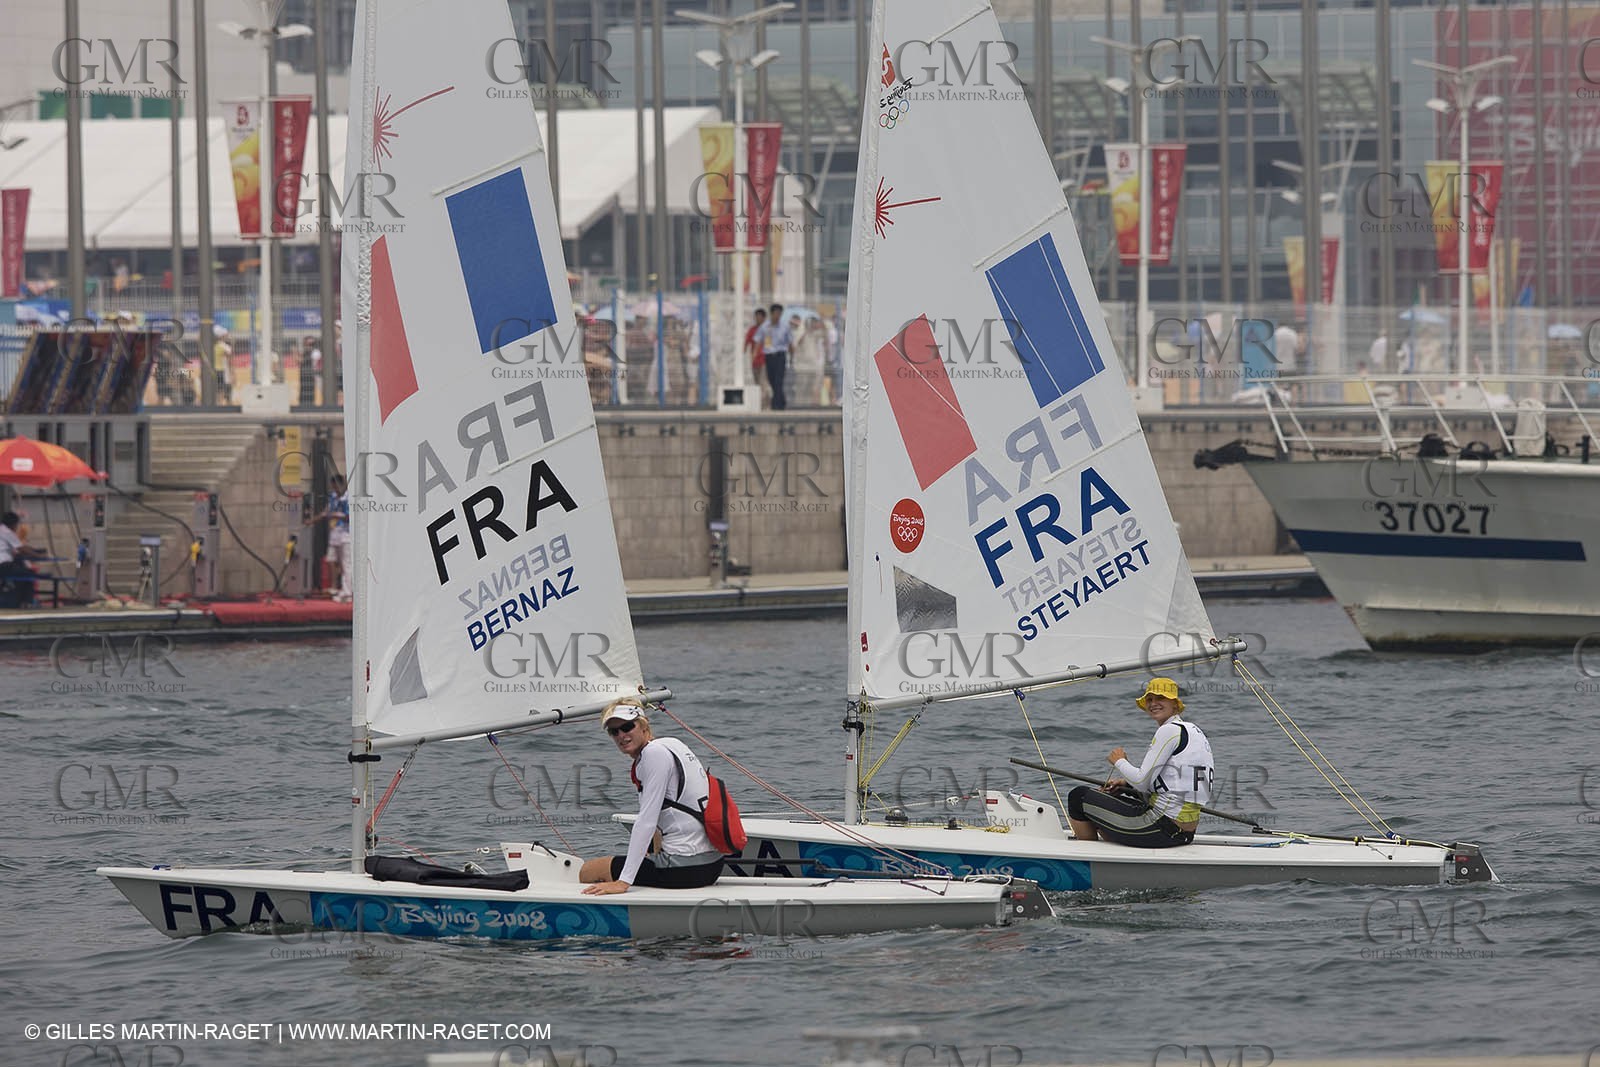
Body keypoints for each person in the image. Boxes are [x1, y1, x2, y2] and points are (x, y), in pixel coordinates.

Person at [580, 699, 725, 894]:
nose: (621, 735)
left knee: (588, 871)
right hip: (713, 864)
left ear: (643, 725)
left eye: (627, 727)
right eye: (614, 731)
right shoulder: (671, 744)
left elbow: (646, 821)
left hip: (685, 870)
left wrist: (623, 882)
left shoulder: (652, 755)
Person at [1066, 678, 1214, 848]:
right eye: (1149, 699)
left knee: (1078, 796)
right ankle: (1112, 850)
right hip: (1185, 833)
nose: (1153, 703)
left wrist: (1119, 761)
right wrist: (1126, 784)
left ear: (1175, 704)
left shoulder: (1168, 730)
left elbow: (1142, 782)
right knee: (1108, 799)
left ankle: (1087, 856)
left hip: (1160, 828)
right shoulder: (1194, 732)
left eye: (1161, 698)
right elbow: (1175, 785)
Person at [305, 475, 351, 602]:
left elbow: (349, 517)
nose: (335, 489)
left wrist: (337, 515)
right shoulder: (333, 497)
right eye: (333, 487)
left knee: (346, 565)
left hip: (345, 535)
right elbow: (325, 513)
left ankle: (348, 593)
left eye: (337, 486)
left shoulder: (348, 498)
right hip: (334, 534)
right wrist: (311, 521)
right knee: (331, 560)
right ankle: (336, 587)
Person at [0, 511, 49, 607]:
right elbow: (21, 548)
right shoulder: (7, 532)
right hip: (3, 565)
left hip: (5, 565)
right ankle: (28, 602)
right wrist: (38, 555)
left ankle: (19, 600)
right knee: (30, 573)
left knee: (21, 571)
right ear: (13, 524)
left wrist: (34, 551)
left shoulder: (2, 530)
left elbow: (17, 548)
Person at [758, 302, 793, 411]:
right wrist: (755, 354)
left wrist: (792, 356)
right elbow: (758, 341)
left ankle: (776, 404)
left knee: (779, 380)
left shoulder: (785, 326)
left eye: (780, 314)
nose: (778, 316)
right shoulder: (765, 327)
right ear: (772, 314)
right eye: (776, 313)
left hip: (780, 356)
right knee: (772, 380)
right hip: (769, 356)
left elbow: (790, 343)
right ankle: (782, 401)